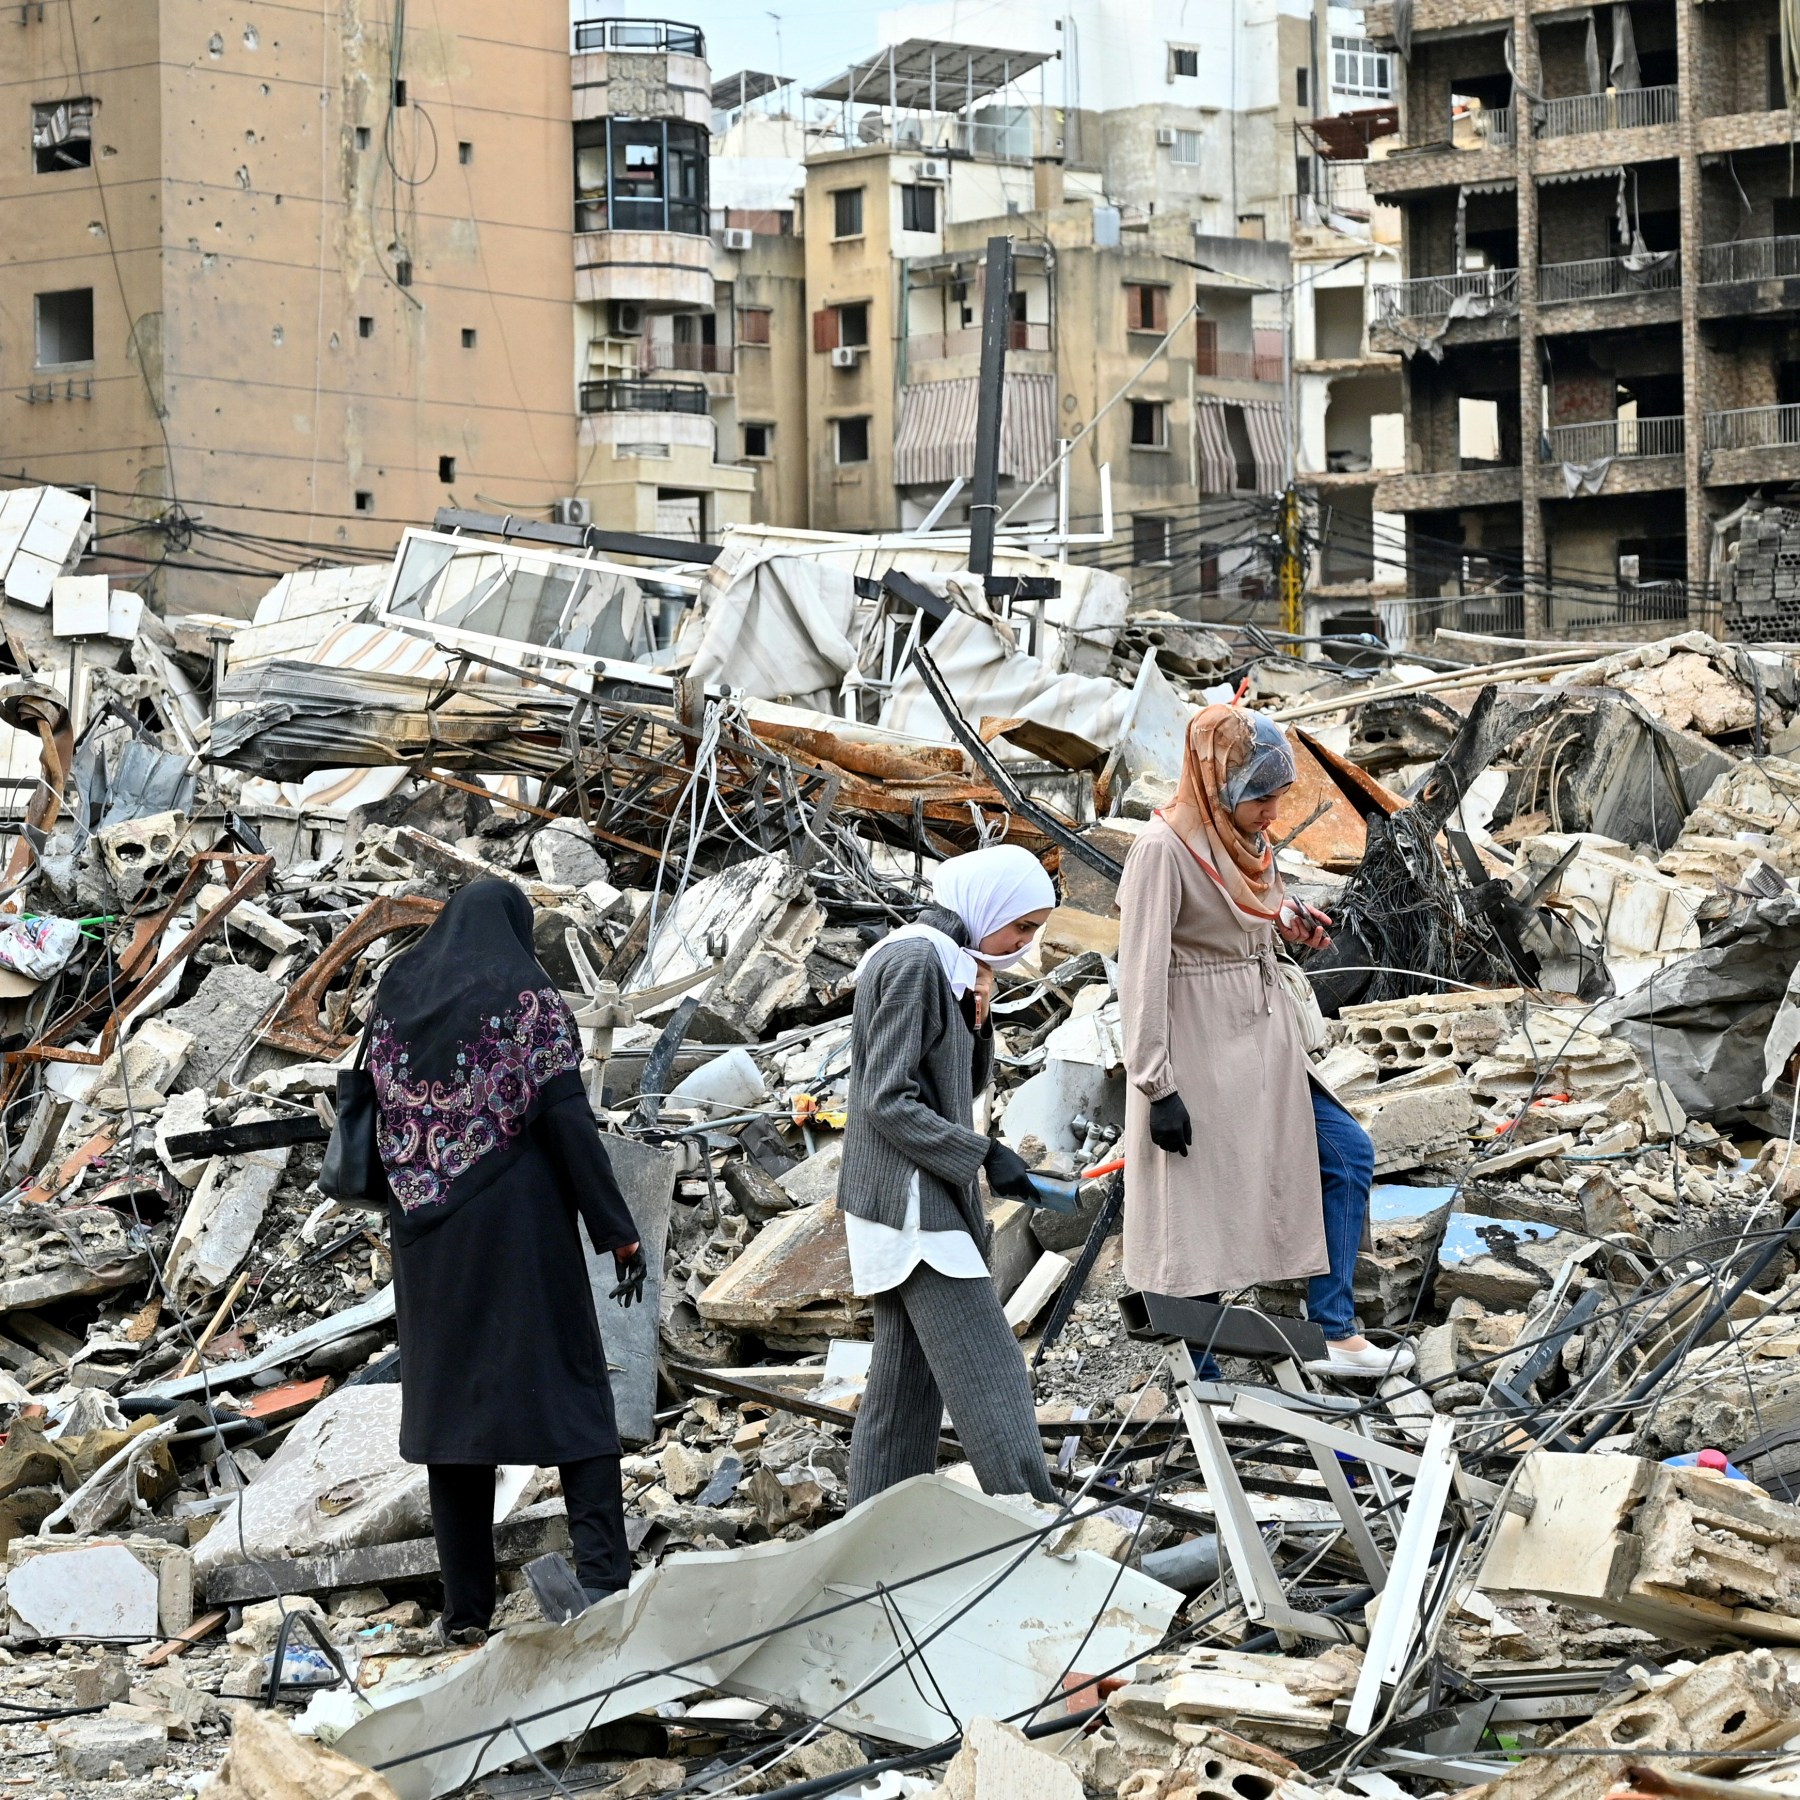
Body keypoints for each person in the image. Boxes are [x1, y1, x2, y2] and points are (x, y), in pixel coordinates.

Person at [369, 878, 649, 1644]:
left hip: (425, 1237)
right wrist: (615, 1227)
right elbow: (566, 1118)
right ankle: (603, 1577)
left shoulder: (397, 993)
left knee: (452, 1419)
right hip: (520, 1230)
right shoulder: (525, 996)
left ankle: (465, 1613)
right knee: (572, 1394)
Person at [1116, 706, 1412, 1379]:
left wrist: (1285, 919)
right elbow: (1140, 975)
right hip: (1198, 1045)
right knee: (1199, 1207)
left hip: (1263, 1039)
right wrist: (1157, 1086)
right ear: (1217, 785)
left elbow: (1243, 911)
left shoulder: (1247, 842)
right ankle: (1202, 1377)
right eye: (1259, 797)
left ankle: (1333, 1331)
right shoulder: (1161, 850)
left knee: (1346, 1152)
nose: (1272, 813)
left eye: (1278, 795)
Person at [842, 845, 1063, 1506]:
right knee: (991, 1374)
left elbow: (954, 1085)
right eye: (1020, 926)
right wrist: (983, 1154)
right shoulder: (916, 960)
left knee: (904, 1395)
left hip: (912, 1197)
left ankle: (877, 1535)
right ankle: (1034, 1521)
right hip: (909, 1202)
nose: (1025, 944)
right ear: (987, 906)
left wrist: (978, 1015)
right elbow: (887, 1099)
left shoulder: (944, 961)